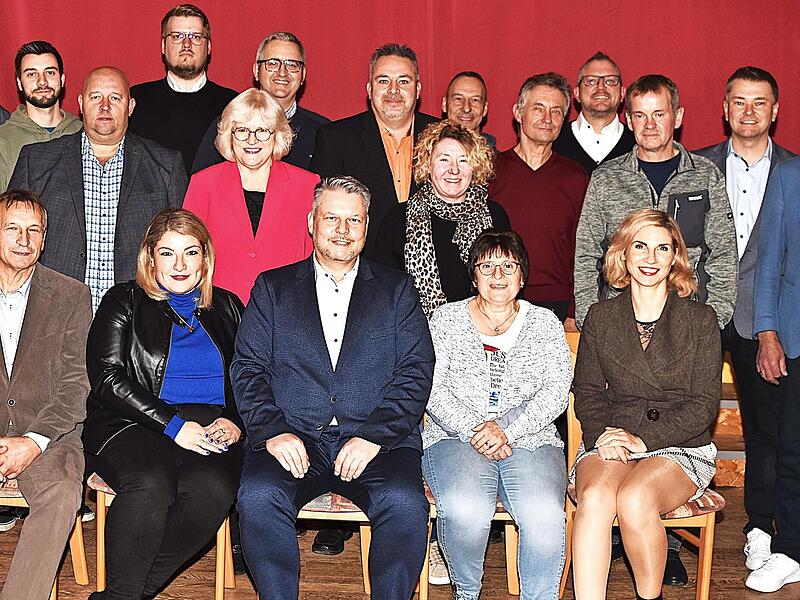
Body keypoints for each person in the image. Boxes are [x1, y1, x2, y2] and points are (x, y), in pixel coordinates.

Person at [232, 176, 434, 599]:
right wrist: (273, 430)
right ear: (312, 222)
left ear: (366, 227)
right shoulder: (272, 288)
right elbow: (248, 369)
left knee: (405, 503)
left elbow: (416, 372)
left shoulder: (398, 290)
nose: (342, 230)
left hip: (377, 442)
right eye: (332, 218)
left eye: (354, 220)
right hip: (294, 436)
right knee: (258, 495)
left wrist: (374, 435)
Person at [84, 208, 244, 600]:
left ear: (205, 258)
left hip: (209, 426)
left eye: (190, 252)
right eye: (168, 253)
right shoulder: (123, 300)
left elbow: (249, 376)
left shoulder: (229, 306)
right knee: (151, 482)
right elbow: (106, 379)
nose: (180, 265)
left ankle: (125, 595)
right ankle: (123, 595)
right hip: (132, 420)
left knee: (214, 489)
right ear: (150, 258)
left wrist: (235, 420)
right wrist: (174, 425)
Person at [572, 209, 721, 600]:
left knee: (635, 498)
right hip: (613, 436)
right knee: (595, 497)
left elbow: (704, 406)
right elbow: (587, 390)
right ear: (623, 253)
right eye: (640, 246)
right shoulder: (600, 317)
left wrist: (644, 440)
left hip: (678, 443)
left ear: (675, 258)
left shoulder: (701, 320)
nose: (650, 258)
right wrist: (602, 434)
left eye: (662, 248)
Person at [424, 228, 570, 599]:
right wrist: (477, 429)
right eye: (487, 267)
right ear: (473, 276)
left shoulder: (545, 323)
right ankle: (466, 593)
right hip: (456, 437)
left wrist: (508, 430)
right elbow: (432, 390)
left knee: (544, 515)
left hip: (531, 438)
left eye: (508, 266)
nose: (498, 275)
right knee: (466, 509)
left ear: (523, 275)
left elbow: (556, 391)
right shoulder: (445, 320)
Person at [695, 66, 796, 576]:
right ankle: (673, 535)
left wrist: (770, 329)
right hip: (700, 317)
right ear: (725, 108)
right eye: (740, 101)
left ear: (775, 110)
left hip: (765, 323)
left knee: (766, 433)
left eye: (760, 102)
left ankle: (761, 529)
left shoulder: (793, 172)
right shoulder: (698, 165)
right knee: (684, 423)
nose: (749, 111)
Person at [9, 66, 187, 310]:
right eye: (95, 97)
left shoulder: (166, 165)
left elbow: (183, 245)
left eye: (115, 98)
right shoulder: (37, 162)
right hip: (53, 312)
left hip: (138, 314)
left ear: (130, 106)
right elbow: (9, 239)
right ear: (81, 104)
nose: (105, 106)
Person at [574, 74, 738, 331]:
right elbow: (586, 254)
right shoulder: (605, 178)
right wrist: (592, 322)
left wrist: (711, 322)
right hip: (620, 325)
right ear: (629, 121)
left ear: (678, 117)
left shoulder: (706, 176)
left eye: (659, 114)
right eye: (640, 115)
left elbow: (724, 253)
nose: (649, 124)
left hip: (688, 323)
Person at [0, 189, 92, 600]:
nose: (24, 240)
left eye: (34, 230)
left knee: (61, 492)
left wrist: (33, 442)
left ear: (45, 238)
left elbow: (77, 382)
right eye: (12, 228)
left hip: (49, 434)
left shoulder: (71, 295)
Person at [183, 88, 317, 303]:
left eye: (262, 130)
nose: (251, 140)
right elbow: (187, 251)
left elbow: (315, 256)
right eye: (242, 130)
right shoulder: (203, 183)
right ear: (229, 136)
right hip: (220, 308)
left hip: (287, 306)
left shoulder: (307, 185)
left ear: (277, 135)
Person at [311, 43, 437, 258]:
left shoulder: (444, 137)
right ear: (370, 89)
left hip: (434, 267)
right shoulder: (336, 139)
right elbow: (323, 213)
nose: (393, 90)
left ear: (417, 89)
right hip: (363, 267)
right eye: (383, 81)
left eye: (403, 81)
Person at [373, 120, 509, 317]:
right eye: (444, 160)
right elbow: (382, 292)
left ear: (475, 167)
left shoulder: (495, 216)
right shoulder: (398, 219)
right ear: (428, 165)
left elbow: (509, 280)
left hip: (486, 327)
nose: (454, 170)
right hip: (416, 329)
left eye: (463, 160)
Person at [489, 72, 588, 329]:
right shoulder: (490, 171)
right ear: (518, 112)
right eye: (538, 108)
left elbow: (584, 249)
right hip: (497, 298)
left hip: (558, 306)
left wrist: (574, 311)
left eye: (556, 111)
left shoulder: (576, 177)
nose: (547, 118)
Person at [750, 156, 800, 593]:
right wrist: (767, 332)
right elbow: (768, 264)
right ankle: (790, 549)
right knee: (791, 450)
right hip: (796, 336)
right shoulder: (789, 176)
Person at [192, 31, 329, 174]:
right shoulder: (228, 126)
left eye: (292, 65)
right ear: (256, 71)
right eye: (272, 63)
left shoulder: (322, 133)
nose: (282, 72)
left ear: (303, 75)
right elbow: (202, 182)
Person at [128, 4, 237, 173]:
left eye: (196, 36)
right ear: (163, 45)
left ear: (209, 46)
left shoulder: (233, 105)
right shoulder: (135, 101)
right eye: (177, 36)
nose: (186, 44)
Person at [0, 40, 82, 191]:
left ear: (62, 79)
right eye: (32, 74)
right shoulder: (3, 140)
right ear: (19, 83)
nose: (42, 82)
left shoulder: (84, 133)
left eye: (50, 72)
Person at [553, 52, 635, 175]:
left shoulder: (638, 143)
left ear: (622, 93)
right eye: (591, 81)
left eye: (610, 81)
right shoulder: (554, 141)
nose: (601, 87)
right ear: (577, 93)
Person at [442, 71, 496, 147]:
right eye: (458, 99)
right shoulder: (427, 152)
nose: (466, 108)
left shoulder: (498, 155)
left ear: (485, 108)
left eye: (475, 100)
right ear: (444, 104)